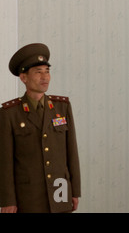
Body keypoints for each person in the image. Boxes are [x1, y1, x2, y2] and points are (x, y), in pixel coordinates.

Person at [0, 43, 81, 213]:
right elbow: (5, 161)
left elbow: (71, 152)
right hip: (28, 197)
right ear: (24, 78)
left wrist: (75, 191)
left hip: (60, 192)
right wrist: (7, 200)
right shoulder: (10, 113)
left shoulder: (62, 107)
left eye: (47, 71)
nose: (45, 77)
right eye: (38, 72)